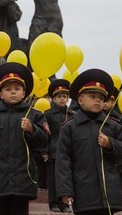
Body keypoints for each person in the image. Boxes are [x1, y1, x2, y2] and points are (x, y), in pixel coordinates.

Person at [56, 69, 122, 215]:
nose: (98, 100)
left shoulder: (112, 125)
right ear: (80, 100)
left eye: (101, 98)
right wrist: (65, 191)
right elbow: (63, 161)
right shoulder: (69, 127)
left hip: (109, 195)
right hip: (83, 194)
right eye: (92, 96)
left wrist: (110, 144)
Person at [0, 62, 49, 215]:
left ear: (24, 93)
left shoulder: (34, 115)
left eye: (17, 89)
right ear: (1, 94)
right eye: (8, 89)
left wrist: (32, 130)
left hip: (23, 178)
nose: (13, 92)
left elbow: (44, 142)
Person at [44, 78, 71, 213]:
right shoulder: (48, 115)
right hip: (53, 151)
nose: (62, 99)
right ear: (53, 99)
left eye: (65, 96)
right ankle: (53, 203)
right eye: (59, 96)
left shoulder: (73, 115)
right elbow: (45, 135)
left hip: (68, 153)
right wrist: (44, 151)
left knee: (66, 179)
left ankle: (65, 203)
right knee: (53, 180)